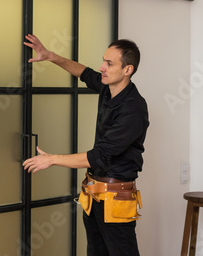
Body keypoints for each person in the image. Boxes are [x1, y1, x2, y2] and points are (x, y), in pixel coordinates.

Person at [22, 34, 149, 256]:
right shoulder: (107, 88)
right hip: (93, 194)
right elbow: (83, 72)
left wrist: (51, 159)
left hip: (115, 199)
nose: (102, 67)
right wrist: (50, 56)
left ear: (127, 70)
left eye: (109, 64)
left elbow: (98, 156)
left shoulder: (133, 109)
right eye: (103, 61)